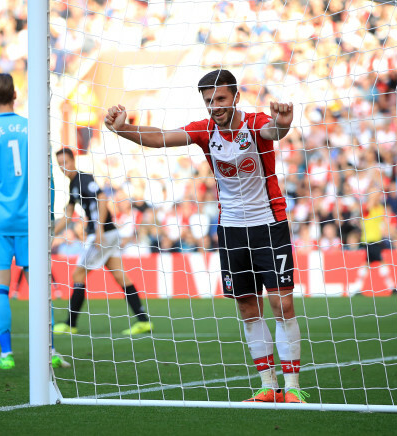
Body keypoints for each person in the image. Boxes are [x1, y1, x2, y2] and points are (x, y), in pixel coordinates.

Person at [105, 69, 307, 404]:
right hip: (230, 229)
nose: (215, 106)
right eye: (209, 101)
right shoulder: (204, 131)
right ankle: (268, 385)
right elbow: (159, 137)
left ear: (236, 97)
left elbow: (274, 130)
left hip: (269, 225)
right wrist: (123, 128)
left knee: (281, 303)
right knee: (246, 306)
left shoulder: (255, 122)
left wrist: (284, 123)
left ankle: (294, 386)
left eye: (221, 99)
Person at [0, 73, 70, 370]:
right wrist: (48, 219)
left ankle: (7, 354)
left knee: (0, 287)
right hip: (30, 221)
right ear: (15, 96)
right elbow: (47, 175)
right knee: (38, 288)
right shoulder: (32, 129)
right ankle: (49, 351)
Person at [53, 147, 153, 336]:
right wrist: (51, 234)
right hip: (109, 233)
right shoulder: (73, 184)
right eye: (59, 164)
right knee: (120, 275)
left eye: (65, 162)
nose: (62, 167)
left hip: (103, 234)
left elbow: (102, 197)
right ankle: (143, 321)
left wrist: (98, 228)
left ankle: (70, 324)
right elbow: (67, 215)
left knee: (78, 274)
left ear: (73, 161)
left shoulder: (84, 179)